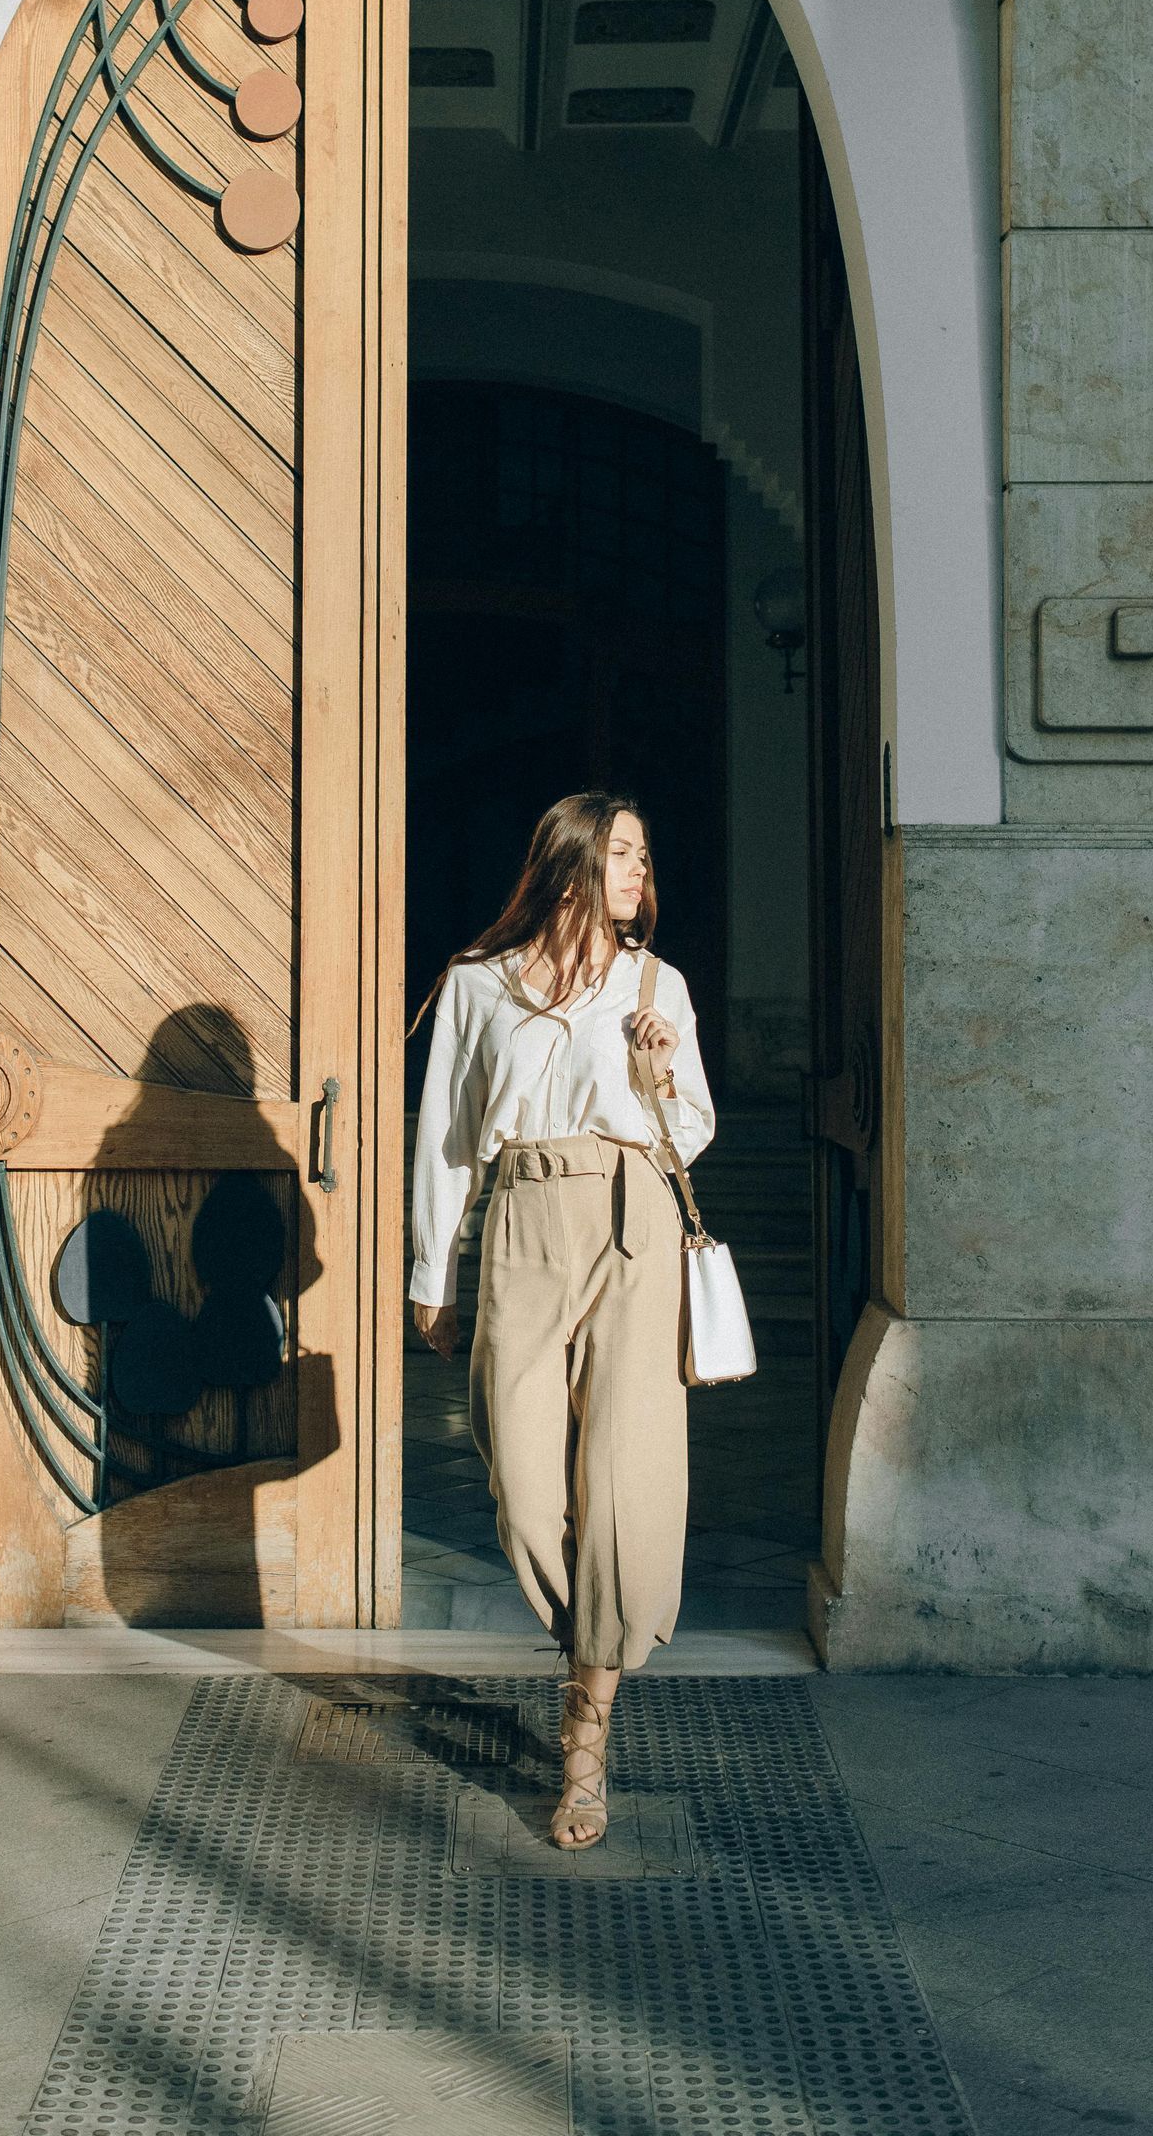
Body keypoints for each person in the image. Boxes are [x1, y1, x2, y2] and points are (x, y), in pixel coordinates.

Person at [408, 791, 715, 1850]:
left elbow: (694, 1131)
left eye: (643, 851)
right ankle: (596, 1640)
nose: (639, 869)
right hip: (525, 1218)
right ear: (572, 865)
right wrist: (431, 1268)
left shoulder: (654, 982)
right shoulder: (477, 985)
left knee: (625, 1488)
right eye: (621, 851)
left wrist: (661, 1066)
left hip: (635, 1219)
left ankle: (587, 1733)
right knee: (528, 1495)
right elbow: (447, 1135)